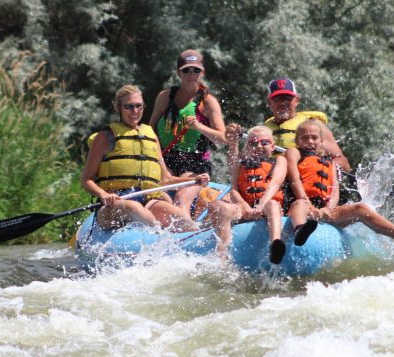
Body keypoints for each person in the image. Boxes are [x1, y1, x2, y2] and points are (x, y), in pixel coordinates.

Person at [285, 119, 394, 250]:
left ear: (321, 140)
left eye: (314, 137)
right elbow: (294, 178)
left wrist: (329, 209)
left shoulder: (330, 162)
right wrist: (306, 201)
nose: (310, 141)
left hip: (325, 212)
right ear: (297, 140)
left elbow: (334, 190)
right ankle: (300, 230)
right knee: (299, 204)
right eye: (305, 138)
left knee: (360, 208)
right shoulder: (294, 152)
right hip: (302, 206)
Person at [80, 85, 204, 232]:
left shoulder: (151, 136)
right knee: (135, 208)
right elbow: (86, 179)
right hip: (114, 204)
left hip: (148, 200)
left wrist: (195, 180)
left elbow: (166, 179)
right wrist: (104, 194)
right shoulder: (105, 136)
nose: (135, 111)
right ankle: (159, 238)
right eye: (129, 107)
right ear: (118, 107)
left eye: (139, 106)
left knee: (182, 219)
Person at [149, 49, 226, 218]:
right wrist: (159, 164)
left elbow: (222, 139)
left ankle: (184, 231)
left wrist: (199, 127)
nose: (191, 74)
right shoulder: (164, 97)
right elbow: (150, 130)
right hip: (165, 160)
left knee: (182, 197)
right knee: (158, 195)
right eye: (186, 70)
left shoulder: (208, 102)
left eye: (196, 70)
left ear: (202, 72)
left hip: (195, 163)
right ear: (179, 73)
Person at [209, 124, 287, 264]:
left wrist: (261, 206)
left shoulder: (280, 160)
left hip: (268, 207)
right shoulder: (241, 163)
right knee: (226, 209)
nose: (259, 146)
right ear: (247, 147)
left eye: (264, 142)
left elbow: (275, 184)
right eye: (253, 143)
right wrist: (244, 206)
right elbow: (233, 189)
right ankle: (222, 256)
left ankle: (276, 244)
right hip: (244, 209)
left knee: (273, 204)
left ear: (272, 146)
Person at [265, 77, 352, 173]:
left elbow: (344, 164)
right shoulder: (263, 132)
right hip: (275, 181)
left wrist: (318, 167)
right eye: (277, 99)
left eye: (288, 98)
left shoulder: (314, 126)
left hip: (307, 180)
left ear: (296, 100)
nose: (283, 103)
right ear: (269, 102)